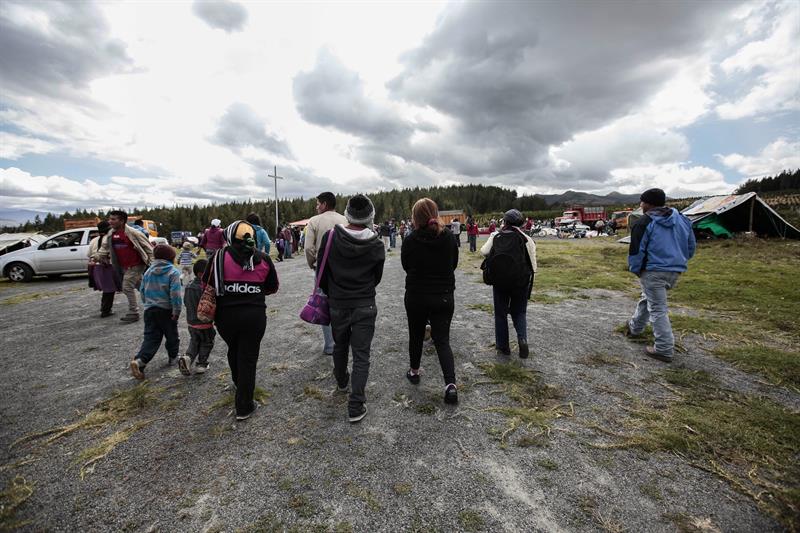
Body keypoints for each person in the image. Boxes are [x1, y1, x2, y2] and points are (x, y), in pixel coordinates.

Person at [318, 194, 385, 423]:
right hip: (365, 303)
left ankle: (341, 380)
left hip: (338, 303)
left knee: (340, 345)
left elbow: (322, 273)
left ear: (347, 213)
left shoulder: (330, 237)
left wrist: (334, 292)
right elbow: (377, 277)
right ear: (370, 215)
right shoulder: (375, 243)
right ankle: (356, 405)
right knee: (361, 354)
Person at [205, 221, 279, 420]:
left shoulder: (218, 257)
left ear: (229, 236)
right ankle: (244, 405)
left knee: (234, 349)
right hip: (254, 317)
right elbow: (273, 287)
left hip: (225, 317)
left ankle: (239, 383)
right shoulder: (263, 258)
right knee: (248, 357)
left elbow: (207, 283)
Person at [626, 188, 696, 362]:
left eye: (642, 202)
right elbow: (691, 246)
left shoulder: (645, 221)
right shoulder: (682, 219)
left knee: (657, 309)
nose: (640, 205)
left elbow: (636, 250)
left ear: (648, 203)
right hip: (675, 270)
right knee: (648, 298)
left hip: (653, 270)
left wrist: (636, 269)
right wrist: (678, 261)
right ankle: (635, 328)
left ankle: (664, 348)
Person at [401, 198, 460, 404]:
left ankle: (415, 371)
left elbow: (406, 266)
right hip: (443, 295)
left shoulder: (410, 239)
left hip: (416, 295)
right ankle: (450, 385)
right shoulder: (449, 238)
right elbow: (453, 264)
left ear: (415, 218)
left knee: (416, 335)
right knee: (442, 340)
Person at [481, 209, 537, 358]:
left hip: (500, 281)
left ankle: (503, 347)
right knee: (519, 312)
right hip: (520, 281)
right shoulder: (526, 239)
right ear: (521, 223)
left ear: (504, 221)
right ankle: (522, 338)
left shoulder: (496, 236)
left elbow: (484, 251)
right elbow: (533, 265)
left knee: (500, 314)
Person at [129, 245, 182, 380]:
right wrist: (177, 310)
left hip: (150, 310)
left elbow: (142, 290)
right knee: (171, 336)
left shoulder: (148, 271)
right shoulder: (173, 272)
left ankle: (140, 361)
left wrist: (147, 304)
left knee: (151, 338)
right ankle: (173, 358)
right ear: (172, 258)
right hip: (166, 311)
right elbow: (175, 294)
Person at [305, 191, 348, 356]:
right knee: (341, 303)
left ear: (324, 204)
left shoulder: (314, 221)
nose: (316, 207)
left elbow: (308, 248)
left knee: (324, 304)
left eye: (317, 204)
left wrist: (313, 263)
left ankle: (330, 345)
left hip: (322, 268)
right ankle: (343, 340)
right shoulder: (345, 220)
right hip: (343, 268)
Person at [98, 210, 153, 323]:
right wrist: (100, 255)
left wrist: (154, 263)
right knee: (141, 286)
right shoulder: (111, 233)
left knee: (127, 287)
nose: (110, 221)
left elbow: (148, 247)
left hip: (136, 265)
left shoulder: (133, 233)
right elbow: (105, 247)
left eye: (113, 219)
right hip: (123, 266)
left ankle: (134, 313)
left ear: (122, 221)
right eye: (110, 219)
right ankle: (155, 303)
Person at [178, 259, 215, 375]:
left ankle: (188, 358)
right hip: (204, 322)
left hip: (191, 322)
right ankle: (201, 364)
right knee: (207, 342)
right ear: (201, 274)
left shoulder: (188, 286)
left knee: (194, 341)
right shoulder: (205, 288)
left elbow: (185, 302)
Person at [88, 220, 120, 317]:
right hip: (107, 266)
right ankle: (105, 310)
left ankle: (105, 308)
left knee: (108, 289)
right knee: (109, 289)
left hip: (97, 267)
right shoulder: (110, 239)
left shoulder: (94, 240)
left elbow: (89, 255)